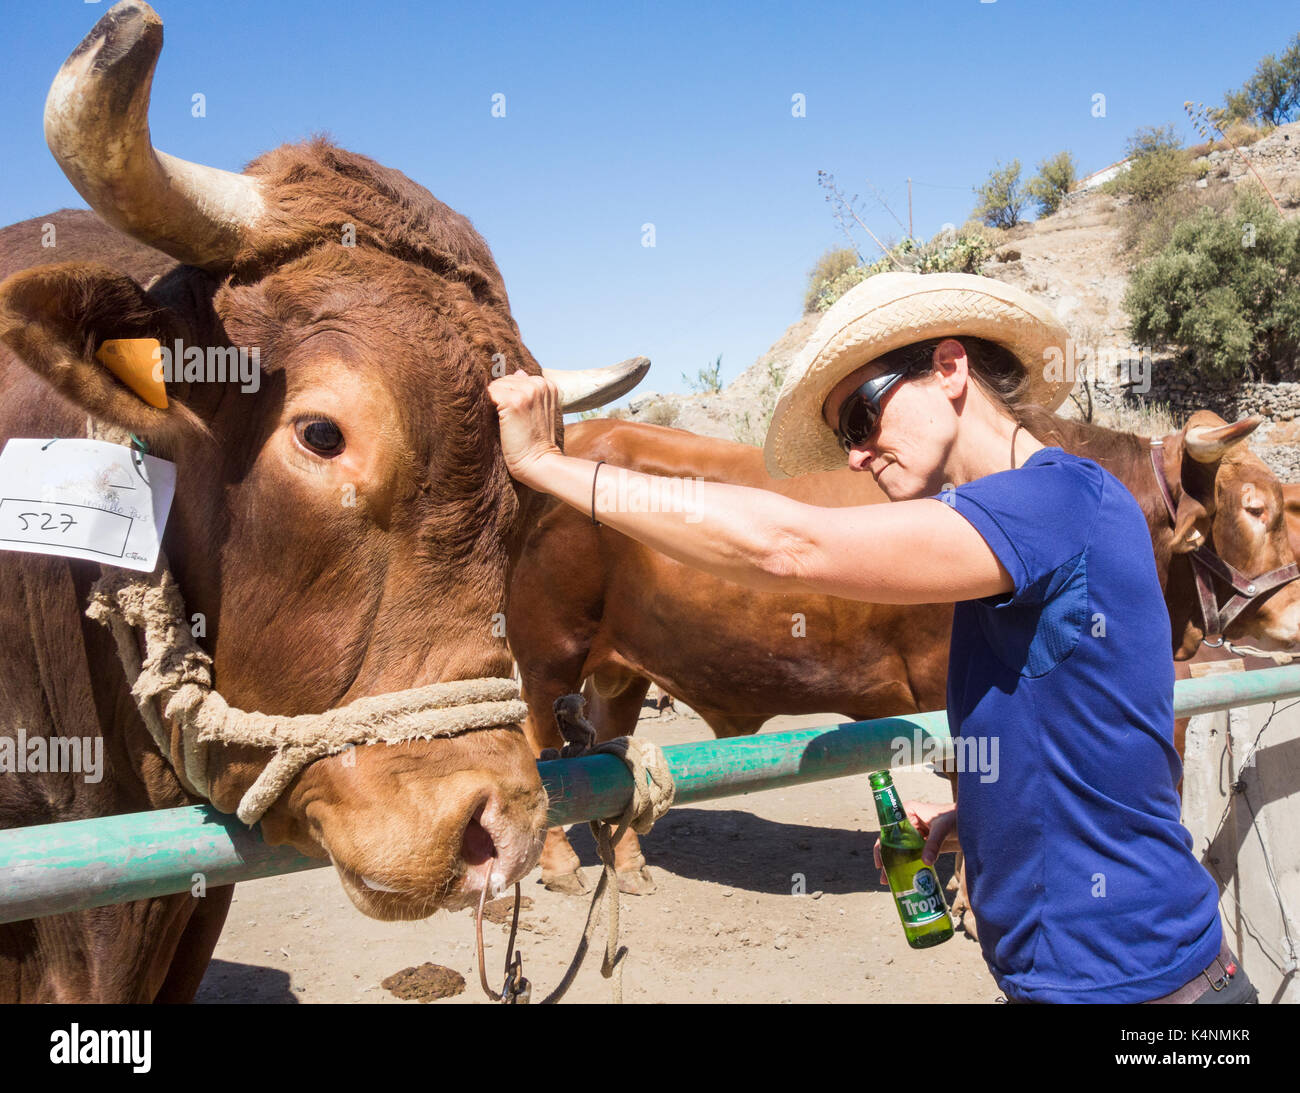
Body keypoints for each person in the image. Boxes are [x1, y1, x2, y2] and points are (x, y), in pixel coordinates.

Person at [488, 271, 1256, 1004]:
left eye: (862, 415)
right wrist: (979, 818)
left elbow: (790, 548)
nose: (855, 453)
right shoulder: (1031, 533)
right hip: (1110, 975)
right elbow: (1094, 739)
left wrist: (546, 463)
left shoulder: (1053, 497)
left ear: (950, 368)